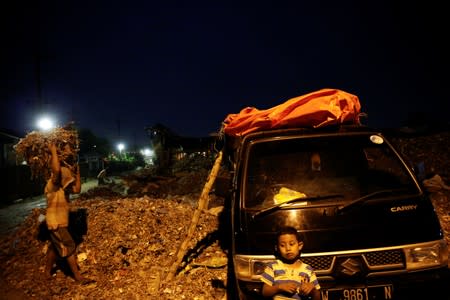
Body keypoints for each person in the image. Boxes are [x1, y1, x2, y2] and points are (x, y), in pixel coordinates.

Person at [44, 142, 92, 284]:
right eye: (67, 179)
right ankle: (78, 277)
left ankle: (47, 271)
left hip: (60, 221)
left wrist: (77, 172)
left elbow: (77, 189)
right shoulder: (52, 185)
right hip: (55, 222)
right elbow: (57, 171)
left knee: (55, 247)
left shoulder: (64, 188)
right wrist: (53, 151)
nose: (68, 181)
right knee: (69, 245)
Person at [261, 226, 321, 300]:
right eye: (282, 245)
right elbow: (265, 292)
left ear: (300, 245)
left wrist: (312, 290)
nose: (288, 249)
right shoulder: (273, 266)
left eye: (292, 244)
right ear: (277, 248)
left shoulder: (307, 269)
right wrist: (279, 287)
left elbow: (318, 297)